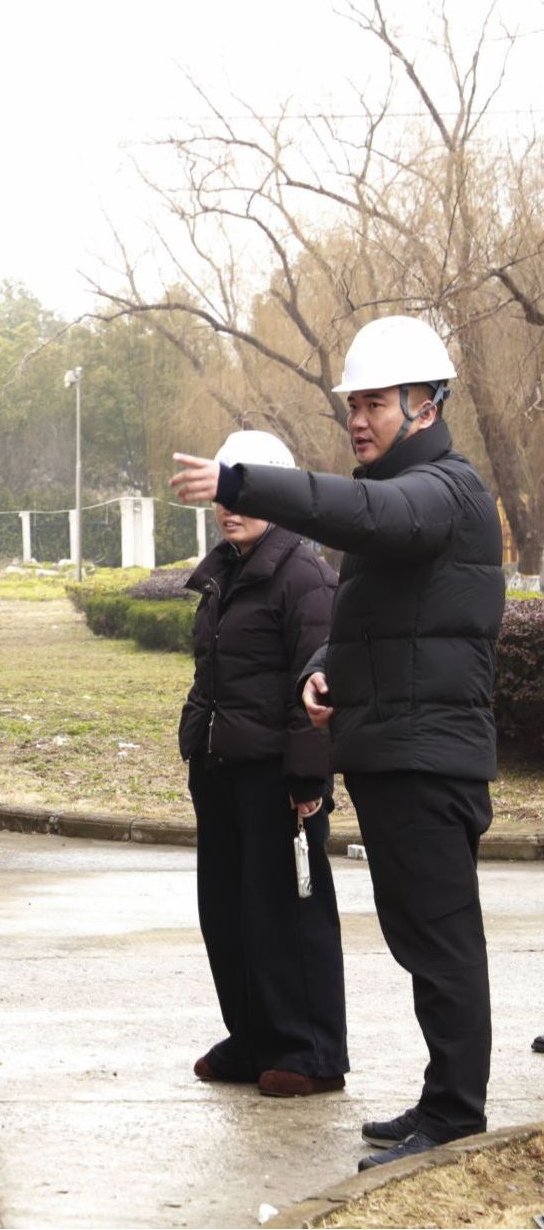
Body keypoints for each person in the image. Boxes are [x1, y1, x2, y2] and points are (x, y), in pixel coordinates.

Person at [171, 315, 507, 1172]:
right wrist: (326, 670)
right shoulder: (400, 505)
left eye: (375, 403)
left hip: (430, 758)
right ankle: (440, 1097)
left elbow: (363, 509)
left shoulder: (443, 491)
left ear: (426, 406)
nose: (358, 419)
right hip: (393, 751)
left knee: (440, 944)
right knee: (418, 938)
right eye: (352, 404)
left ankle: (456, 1112)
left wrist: (245, 480)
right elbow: (372, 623)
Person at [181, 429, 348, 1099]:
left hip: (278, 777)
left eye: (244, 491)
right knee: (227, 911)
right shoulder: (224, 570)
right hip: (220, 767)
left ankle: (310, 1050)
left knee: (288, 914)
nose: (230, 507)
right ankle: (252, 1036)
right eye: (224, 492)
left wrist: (308, 777)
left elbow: (318, 683)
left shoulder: (305, 577)